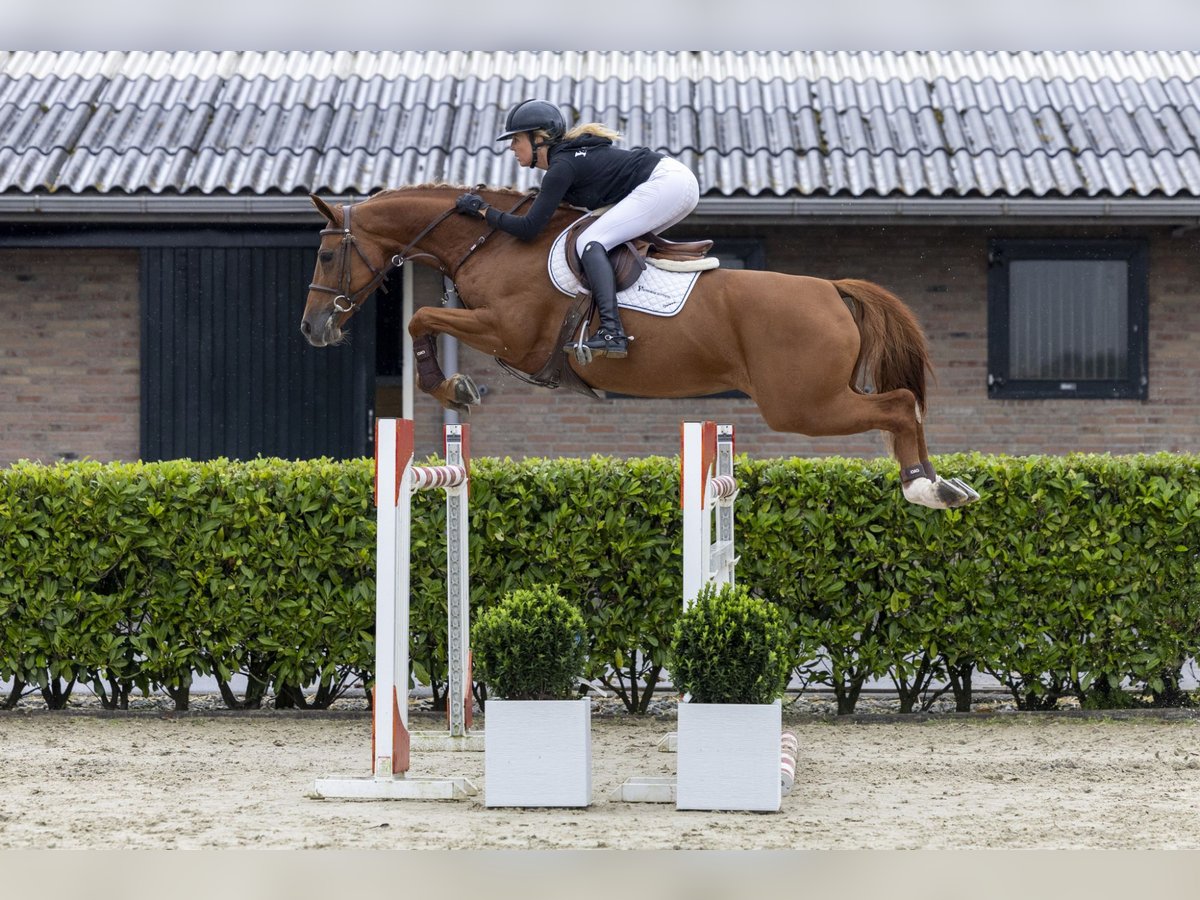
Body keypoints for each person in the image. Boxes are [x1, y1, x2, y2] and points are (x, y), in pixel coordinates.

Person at [453, 99, 700, 360]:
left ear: (538, 138)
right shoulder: (566, 162)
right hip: (675, 182)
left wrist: (483, 211)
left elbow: (528, 228)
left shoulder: (562, 167)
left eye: (516, 139)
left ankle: (611, 331)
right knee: (608, 241)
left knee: (590, 242)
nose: (512, 147)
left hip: (667, 183)